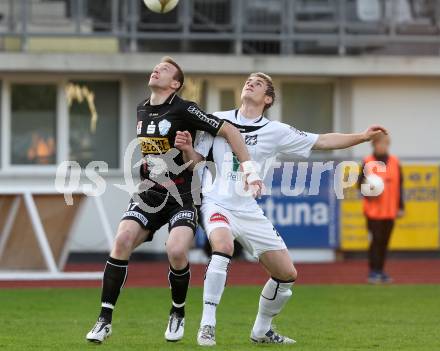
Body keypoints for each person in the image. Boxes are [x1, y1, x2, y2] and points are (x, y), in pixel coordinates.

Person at [174, 72, 387, 345]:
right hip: (217, 201)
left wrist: (362, 136)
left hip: (248, 209)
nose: (250, 83)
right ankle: (207, 325)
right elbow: (196, 163)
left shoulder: (276, 131)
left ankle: (261, 331)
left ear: (268, 98)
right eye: (249, 80)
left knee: (286, 275)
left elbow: (321, 141)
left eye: (258, 83)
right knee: (223, 246)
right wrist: (187, 149)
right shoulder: (218, 119)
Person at [86, 57, 262, 343]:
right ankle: (104, 320)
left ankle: (177, 312)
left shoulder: (185, 109)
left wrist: (246, 168)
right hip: (150, 192)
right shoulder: (142, 107)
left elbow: (227, 131)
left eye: (165, 69)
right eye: (156, 67)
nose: (156, 69)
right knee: (121, 241)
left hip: (183, 194)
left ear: (175, 83)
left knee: (177, 250)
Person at [359, 134, 404, 284]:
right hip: (373, 212)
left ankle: (381, 271)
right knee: (376, 241)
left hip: (390, 211)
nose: (382, 146)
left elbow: (400, 186)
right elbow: (360, 184)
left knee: (385, 242)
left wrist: (400, 207)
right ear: (374, 145)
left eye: (385, 144)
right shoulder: (367, 162)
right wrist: (369, 191)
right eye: (379, 144)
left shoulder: (395, 162)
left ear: (388, 145)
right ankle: (373, 272)